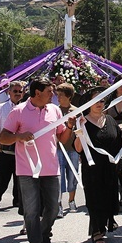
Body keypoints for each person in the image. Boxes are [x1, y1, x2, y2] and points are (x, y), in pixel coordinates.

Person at [0, 77, 74, 243]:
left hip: (51, 167)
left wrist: (71, 126)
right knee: (31, 210)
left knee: (53, 208)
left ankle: (43, 233)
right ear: (37, 92)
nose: (53, 95)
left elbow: (63, 138)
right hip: (27, 169)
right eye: (50, 91)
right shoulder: (19, 111)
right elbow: (3, 138)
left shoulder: (55, 110)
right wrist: (19, 136)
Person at [73, 88, 122, 243]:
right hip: (92, 168)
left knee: (109, 195)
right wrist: (79, 131)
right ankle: (96, 230)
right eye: (95, 100)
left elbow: (119, 142)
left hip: (109, 167)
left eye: (102, 100)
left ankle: (107, 223)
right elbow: (78, 148)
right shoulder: (83, 122)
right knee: (95, 198)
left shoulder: (110, 120)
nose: (99, 104)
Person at [0, 81, 24, 208]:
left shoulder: (26, 107)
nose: (17, 94)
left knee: (19, 176)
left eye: (20, 91)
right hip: (4, 147)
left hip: (20, 148)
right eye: (15, 91)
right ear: (8, 92)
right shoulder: (1, 108)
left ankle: (17, 199)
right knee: (3, 176)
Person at [56, 83, 79, 217]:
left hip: (73, 148)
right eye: (57, 95)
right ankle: (59, 203)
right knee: (59, 176)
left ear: (69, 97)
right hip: (59, 149)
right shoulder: (55, 110)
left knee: (73, 174)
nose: (58, 97)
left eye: (61, 95)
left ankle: (72, 200)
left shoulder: (76, 111)